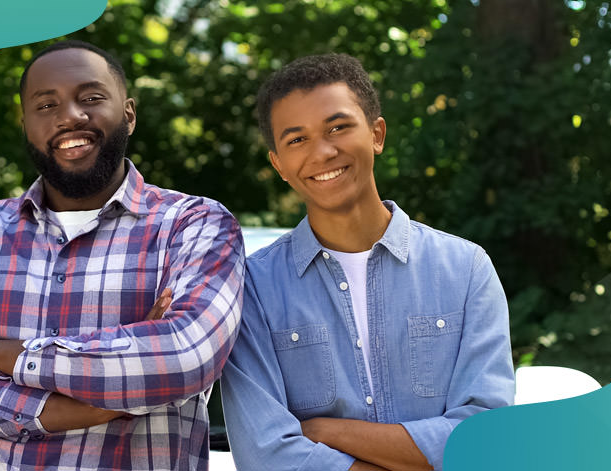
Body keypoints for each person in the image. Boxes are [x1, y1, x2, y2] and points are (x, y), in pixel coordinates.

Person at [0, 40, 244, 470]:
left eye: (90, 98)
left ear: (128, 112)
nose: (70, 116)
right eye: (46, 105)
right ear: (26, 124)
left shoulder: (194, 225)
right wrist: (80, 406)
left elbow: (183, 359)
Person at [220, 53, 514, 471]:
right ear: (279, 165)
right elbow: (265, 453)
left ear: (377, 134)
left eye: (338, 128)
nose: (322, 152)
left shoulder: (465, 269)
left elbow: (486, 435)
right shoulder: (253, 288)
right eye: (297, 139)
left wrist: (325, 431)